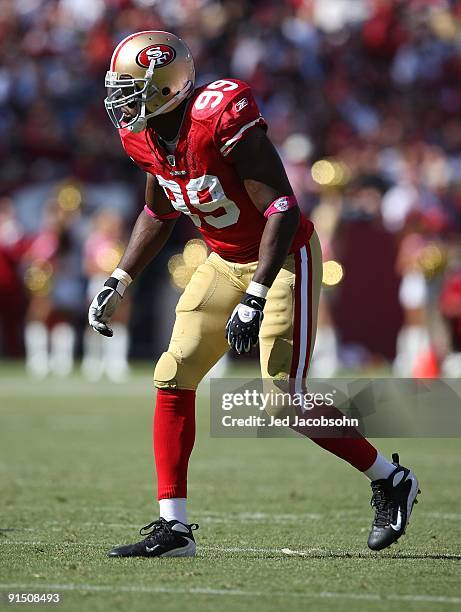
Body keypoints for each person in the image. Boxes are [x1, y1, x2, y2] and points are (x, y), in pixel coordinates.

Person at [89, 31, 420, 557]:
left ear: (168, 87)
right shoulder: (145, 136)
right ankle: (173, 527)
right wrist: (119, 278)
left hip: (283, 259)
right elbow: (158, 212)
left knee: (282, 401)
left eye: (132, 88)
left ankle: (391, 478)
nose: (121, 100)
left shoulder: (218, 115)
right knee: (173, 372)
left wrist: (257, 292)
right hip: (223, 260)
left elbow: (283, 209)